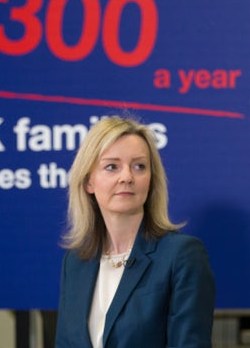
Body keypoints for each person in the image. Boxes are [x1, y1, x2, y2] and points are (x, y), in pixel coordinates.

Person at [54, 115, 215, 348]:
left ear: (150, 181)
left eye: (139, 166)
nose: (127, 177)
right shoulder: (76, 262)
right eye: (112, 167)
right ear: (89, 181)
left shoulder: (181, 255)